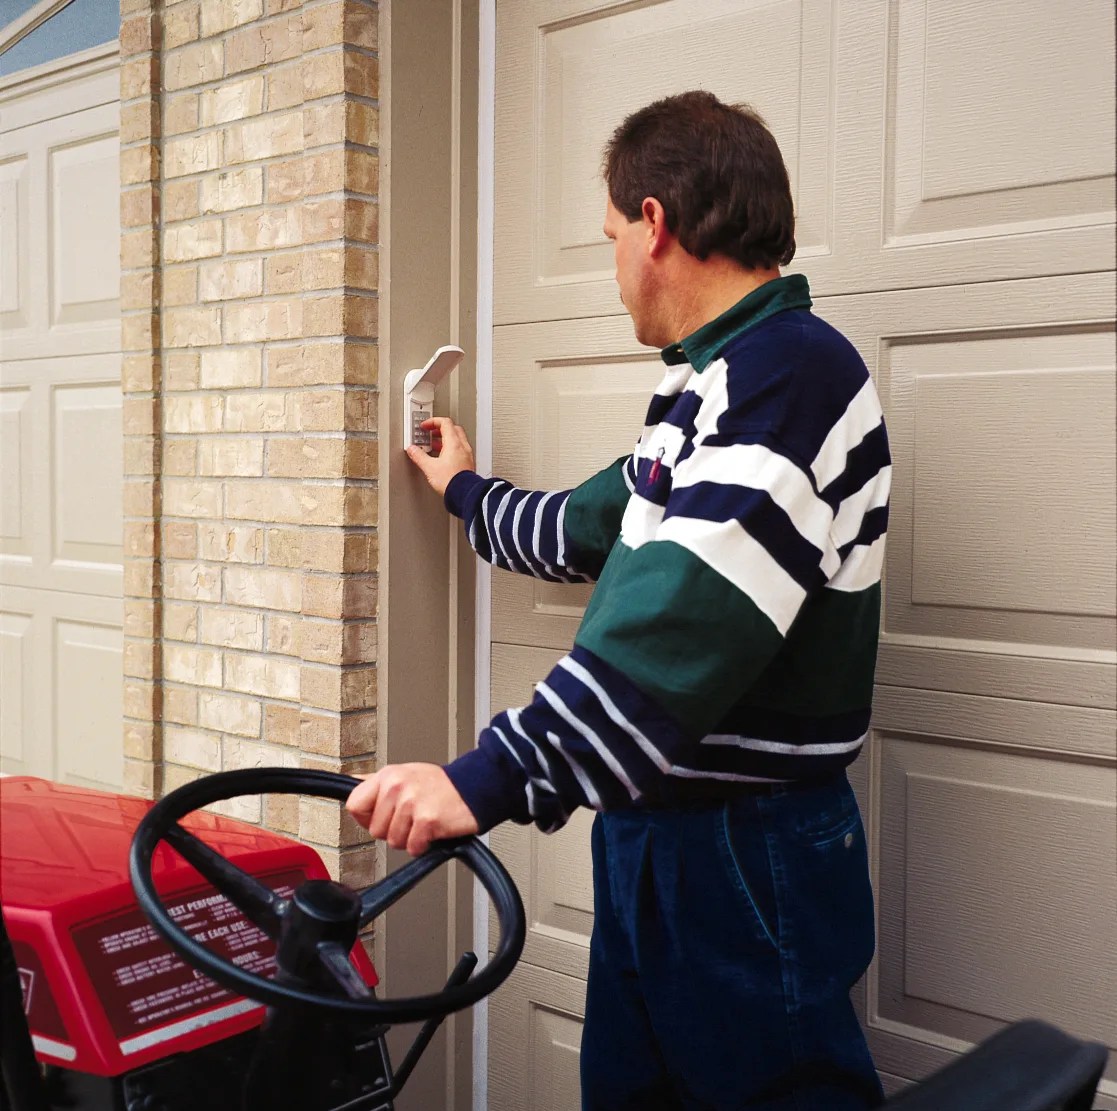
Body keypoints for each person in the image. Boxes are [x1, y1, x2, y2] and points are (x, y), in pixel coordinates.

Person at [346, 90, 890, 1111]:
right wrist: (459, 485)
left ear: (655, 224)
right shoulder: (707, 391)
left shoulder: (792, 374)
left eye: (607, 238)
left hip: (746, 847)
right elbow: (589, 529)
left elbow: (681, 615)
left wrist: (488, 775)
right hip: (662, 837)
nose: (610, 272)